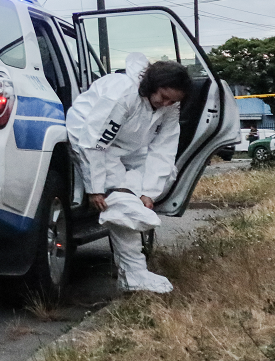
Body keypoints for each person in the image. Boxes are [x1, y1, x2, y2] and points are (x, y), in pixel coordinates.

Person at [65, 52, 192, 294]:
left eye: (172, 102)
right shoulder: (122, 94)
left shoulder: (170, 104)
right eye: (164, 97)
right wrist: (96, 188)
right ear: (152, 85)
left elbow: (164, 148)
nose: (166, 104)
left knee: (166, 174)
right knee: (121, 201)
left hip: (129, 144)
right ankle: (134, 274)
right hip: (90, 137)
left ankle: (132, 273)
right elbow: (96, 142)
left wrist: (148, 193)